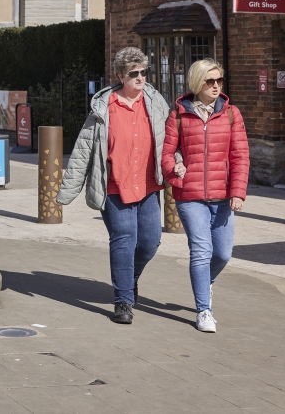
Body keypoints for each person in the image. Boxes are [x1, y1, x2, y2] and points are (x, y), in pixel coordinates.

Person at [59, 47, 172, 325]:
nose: (140, 77)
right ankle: (123, 300)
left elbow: (170, 139)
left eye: (144, 72)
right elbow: (83, 149)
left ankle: (129, 277)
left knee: (149, 243)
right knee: (124, 239)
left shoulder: (155, 103)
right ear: (120, 75)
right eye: (134, 73)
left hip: (147, 186)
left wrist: (177, 161)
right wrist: (67, 190)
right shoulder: (103, 107)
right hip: (114, 185)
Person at [162, 58, 250, 334]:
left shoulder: (231, 114)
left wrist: (237, 191)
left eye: (219, 80)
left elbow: (240, 156)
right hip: (190, 196)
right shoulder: (178, 115)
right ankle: (204, 311)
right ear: (197, 84)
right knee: (201, 251)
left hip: (223, 196)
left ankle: (205, 282)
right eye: (209, 81)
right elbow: (165, 154)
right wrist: (176, 172)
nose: (215, 86)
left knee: (222, 254)